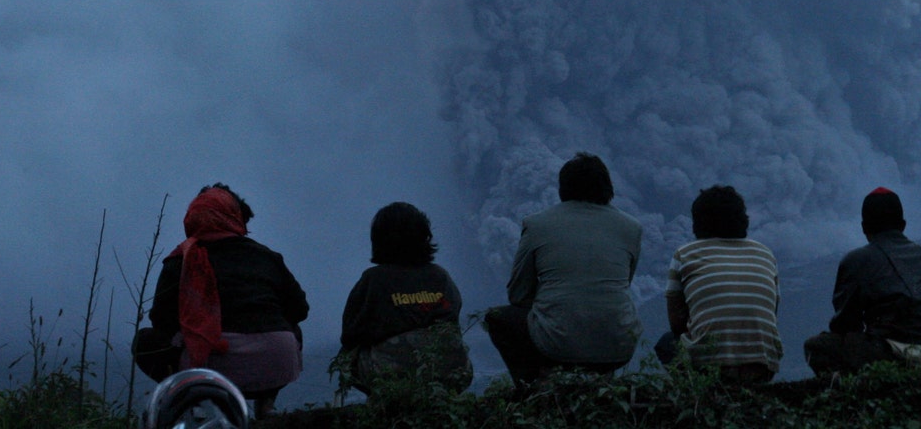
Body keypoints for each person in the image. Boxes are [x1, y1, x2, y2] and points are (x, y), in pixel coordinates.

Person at [144, 185, 309, 415]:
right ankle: (266, 405)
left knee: (146, 342)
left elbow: (160, 320)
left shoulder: (180, 261)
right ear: (234, 217)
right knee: (291, 328)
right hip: (274, 365)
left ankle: (196, 403)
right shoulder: (267, 257)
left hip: (209, 369)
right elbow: (300, 310)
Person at [483, 153, 643, 388]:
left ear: (562, 189)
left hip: (555, 347)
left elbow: (517, 295)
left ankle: (532, 391)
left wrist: (553, 299)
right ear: (608, 187)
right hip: (618, 347)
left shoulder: (537, 225)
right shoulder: (632, 227)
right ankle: (601, 387)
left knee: (498, 318)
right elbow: (623, 284)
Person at [803, 189, 921, 376]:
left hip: (888, 356)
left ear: (864, 228)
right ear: (903, 225)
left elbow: (844, 323)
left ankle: (852, 396)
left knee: (817, 347)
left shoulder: (859, 259)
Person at [339, 202, 471, 395]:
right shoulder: (440, 276)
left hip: (391, 373)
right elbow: (452, 318)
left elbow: (351, 332)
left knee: (345, 357)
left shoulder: (373, 279)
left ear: (379, 239)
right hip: (449, 370)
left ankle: (383, 403)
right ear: (424, 236)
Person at [657, 185, 781, 382]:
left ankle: (692, 398)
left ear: (697, 223)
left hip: (707, 370)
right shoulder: (766, 254)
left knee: (667, 342)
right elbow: (771, 312)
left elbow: (676, 324)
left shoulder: (684, 254)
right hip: (762, 367)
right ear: (743, 219)